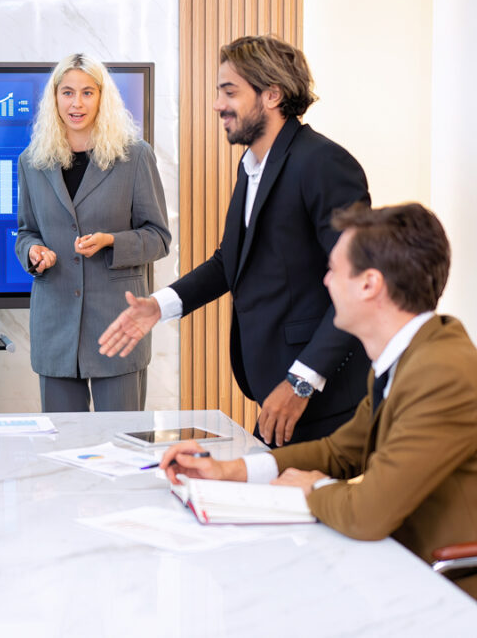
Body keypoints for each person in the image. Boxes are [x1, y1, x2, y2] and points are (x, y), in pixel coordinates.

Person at [159, 203, 477, 598]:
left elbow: (368, 513)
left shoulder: (440, 371)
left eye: (334, 270)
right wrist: (230, 471)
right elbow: (338, 453)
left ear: (369, 285)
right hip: (398, 569)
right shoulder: (406, 357)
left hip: (445, 589)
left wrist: (313, 488)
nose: (325, 282)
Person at [99, 35, 370, 446]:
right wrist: (159, 306)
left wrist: (301, 382)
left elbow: (359, 285)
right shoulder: (252, 166)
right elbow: (231, 261)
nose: (217, 105)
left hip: (321, 396)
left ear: (272, 95)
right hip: (277, 388)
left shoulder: (324, 163)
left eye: (229, 92)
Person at [15, 53, 170, 412]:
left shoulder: (134, 156)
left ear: (103, 97)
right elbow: (26, 232)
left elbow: (159, 237)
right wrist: (33, 252)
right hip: (55, 327)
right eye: (68, 92)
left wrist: (112, 241)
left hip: (118, 324)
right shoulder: (32, 161)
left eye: (87, 92)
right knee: (63, 441)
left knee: (124, 440)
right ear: (55, 98)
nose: (77, 103)